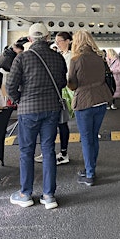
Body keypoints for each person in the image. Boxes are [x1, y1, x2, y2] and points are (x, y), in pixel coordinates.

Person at [6, 23, 67, 209]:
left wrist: (19, 99)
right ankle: (49, 196)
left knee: (27, 151)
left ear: (30, 39)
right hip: (51, 109)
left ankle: (25, 193)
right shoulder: (58, 58)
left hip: (28, 110)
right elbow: (63, 82)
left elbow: (10, 86)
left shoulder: (22, 58)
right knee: (48, 150)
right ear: (48, 38)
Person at [67, 30, 113, 186]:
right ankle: (90, 168)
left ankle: (90, 174)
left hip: (84, 102)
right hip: (101, 99)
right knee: (94, 136)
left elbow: (72, 84)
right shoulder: (99, 58)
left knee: (86, 139)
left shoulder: (76, 59)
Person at [34, 31, 72, 165]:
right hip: (55, 94)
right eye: (56, 41)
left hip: (63, 93)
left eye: (60, 41)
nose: (57, 44)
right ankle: (47, 152)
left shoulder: (70, 57)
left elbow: (67, 77)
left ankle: (63, 153)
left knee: (61, 123)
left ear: (68, 41)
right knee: (50, 125)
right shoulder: (58, 55)